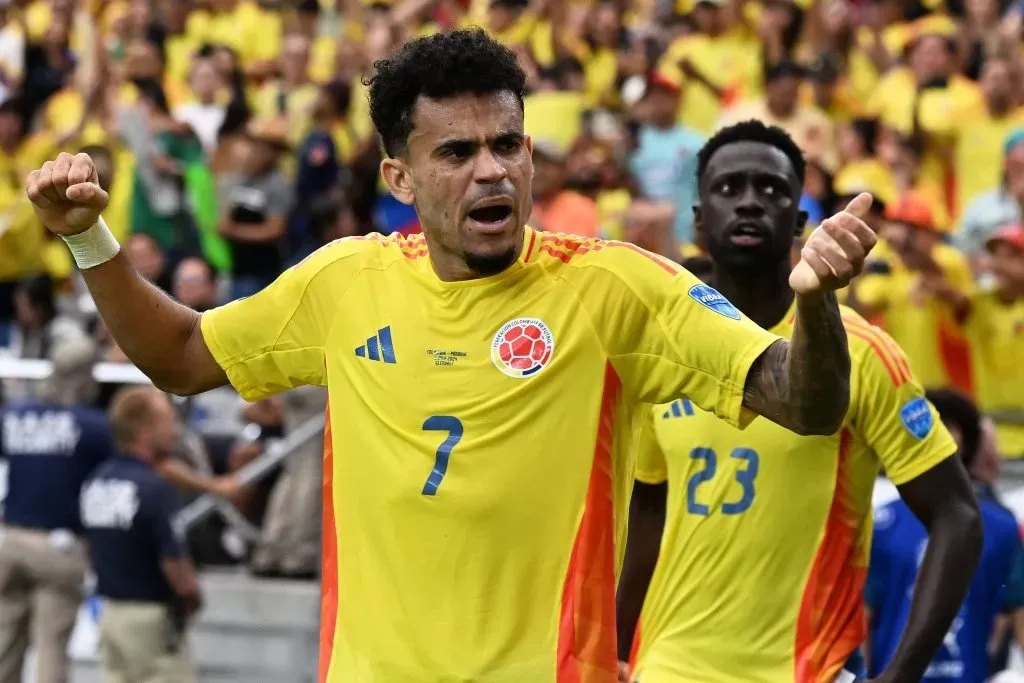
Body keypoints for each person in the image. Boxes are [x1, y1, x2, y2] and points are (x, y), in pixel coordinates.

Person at [27, 29, 878, 681]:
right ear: (400, 178)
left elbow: (806, 404)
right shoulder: (345, 283)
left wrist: (816, 303)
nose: (493, 173)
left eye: (508, 145)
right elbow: (180, 355)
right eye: (458, 153)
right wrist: (90, 239)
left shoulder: (617, 288)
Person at [616, 121, 981, 683]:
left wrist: (899, 675)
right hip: (666, 667)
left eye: (772, 190)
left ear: (800, 222)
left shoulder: (864, 353)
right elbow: (649, 508)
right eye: (728, 188)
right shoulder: (664, 349)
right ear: (697, 219)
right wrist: (615, 649)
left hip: (807, 669)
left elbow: (957, 515)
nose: (749, 203)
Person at [868, 391, 1023, 682]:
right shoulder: (881, 523)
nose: (937, 437)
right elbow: (862, 614)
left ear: (966, 439)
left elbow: (1016, 607)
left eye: (948, 427)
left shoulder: (1001, 526)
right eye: (928, 424)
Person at [0, 337, 115, 683]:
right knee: (52, 648)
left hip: (10, 540)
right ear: (85, 377)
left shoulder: (14, 417)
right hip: (58, 545)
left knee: (4, 644)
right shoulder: (94, 427)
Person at [80, 386, 200, 683]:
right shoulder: (153, 488)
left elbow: (88, 546)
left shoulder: (97, 480)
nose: (175, 431)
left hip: (109, 613)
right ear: (144, 430)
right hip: (151, 619)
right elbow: (174, 563)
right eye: (169, 422)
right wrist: (192, 597)